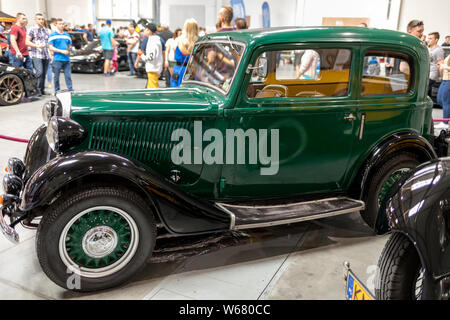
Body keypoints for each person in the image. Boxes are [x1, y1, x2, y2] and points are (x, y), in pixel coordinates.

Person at [170, 18, 198, 88]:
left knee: (176, 94)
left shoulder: (178, 40)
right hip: (192, 71)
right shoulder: (199, 42)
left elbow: (173, 54)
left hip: (178, 70)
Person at [27, 13, 51, 96]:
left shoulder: (47, 30)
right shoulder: (32, 29)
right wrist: (37, 46)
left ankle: (41, 90)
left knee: (43, 74)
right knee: (39, 72)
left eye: (42, 19)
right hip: (36, 55)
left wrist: (51, 54)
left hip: (46, 55)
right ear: (35, 20)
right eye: (39, 19)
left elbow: (49, 43)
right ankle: (34, 89)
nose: (41, 20)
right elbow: (27, 42)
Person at [48, 18, 73, 93]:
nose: (62, 25)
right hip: (57, 59)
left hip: (66, 59)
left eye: (63, 24)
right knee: (56, 76)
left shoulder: (67, 35)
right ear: (56, 25)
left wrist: (70, 51)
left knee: (68, 76)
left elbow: (70, 46)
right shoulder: (53, 35)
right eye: (60, 24)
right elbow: (50, 47)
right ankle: (57, 90)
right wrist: (61, 51)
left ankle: (70, 89)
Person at [140, 24, 163, 89]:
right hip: (155, 67)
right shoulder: (157, 40)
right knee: (151, 87)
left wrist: (141, 55)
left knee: (153, 89)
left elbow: (150, 57)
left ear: (149, 31)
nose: (144, 31)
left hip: (153, 68)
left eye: (145, 29)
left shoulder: (153, 41)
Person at [427, 32, 445, 98]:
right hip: (427, 74)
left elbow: (441, 63)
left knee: (424, 92)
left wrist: (441, 77)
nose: (428, 40)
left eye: (430, 38)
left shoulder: (439, 50)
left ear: (436, 40)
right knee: (427, 94)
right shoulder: (429, 49)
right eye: (428, 38)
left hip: (432, 75)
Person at [437, 55, 450, 125]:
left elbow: (446, 67)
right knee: (439, 100)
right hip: (444, 80)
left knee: (446, 102)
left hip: (449, 80)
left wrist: (444, 67)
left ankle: (445, 123)